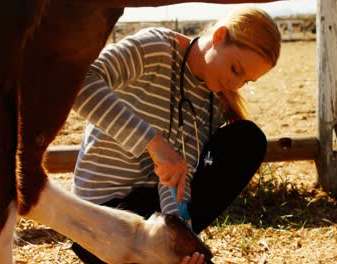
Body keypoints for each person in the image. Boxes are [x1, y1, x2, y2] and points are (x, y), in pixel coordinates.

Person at [71, 7, 281, 264]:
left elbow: (177, 178)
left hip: (150, 218)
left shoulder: (213, 103)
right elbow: (77, 83)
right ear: (219, 36)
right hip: (101, 214)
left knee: (247, 140)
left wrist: (179, 240)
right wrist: (152, 142)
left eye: (246, 81)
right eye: (236, 69)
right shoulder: (156, 47)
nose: (235, 85)